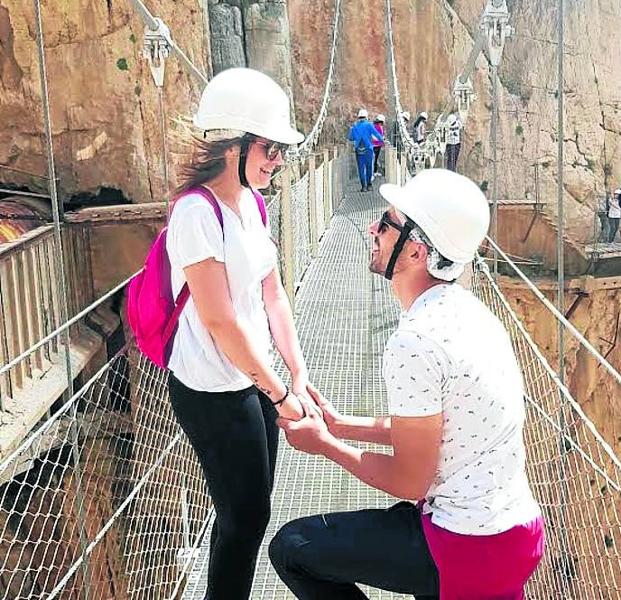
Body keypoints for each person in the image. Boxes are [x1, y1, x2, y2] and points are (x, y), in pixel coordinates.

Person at [269, 169, 545, 600]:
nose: (371, 228)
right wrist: (343, 426)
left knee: (292, 549)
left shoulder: (415, 341)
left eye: (386, 222)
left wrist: (322, 444)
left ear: (416, 251)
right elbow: (441, 429)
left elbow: (410, 481)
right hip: (512, 532)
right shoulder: (466, 310)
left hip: (468, 544)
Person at [166, 67, 310, 600]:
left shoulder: (253, 203)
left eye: (280, 150)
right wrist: (277, 391)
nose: (277, 159)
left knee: (251, 512)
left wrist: (296, 372)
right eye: (270, 147)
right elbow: (219, 318)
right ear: (235, 146)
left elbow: (273, 295)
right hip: (210, 389)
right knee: (243, 519)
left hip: (252, 376)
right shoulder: (194, 214)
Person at [348, 108, 383, 192]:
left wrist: (352, 131)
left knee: (361, 168)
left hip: (358, 149)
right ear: (366, 117)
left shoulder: (355, 126)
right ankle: (369, 185)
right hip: (368, 149)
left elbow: (350, 138)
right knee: (368, 167)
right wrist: (381, 139)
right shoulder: (369, 125)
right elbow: (376, 134)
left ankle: (363, 186)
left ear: (359, 117)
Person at [372, 113, 386, 178]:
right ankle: (373, 172)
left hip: (376, 145)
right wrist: (381, 139)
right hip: (376, 145)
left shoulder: (376, 126)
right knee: (374, 159)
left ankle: (374, 171)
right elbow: (375, 136)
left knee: (375, 159)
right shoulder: (377, 127)